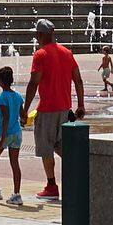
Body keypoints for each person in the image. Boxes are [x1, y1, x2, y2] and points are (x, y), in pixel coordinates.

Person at [26, 19, 85, 202]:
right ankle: (80, 177)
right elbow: (78, 80)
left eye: (37, 35)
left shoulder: (40, 54)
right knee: (62, 146)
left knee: (46, 149)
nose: (36, 38)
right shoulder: (66, 52)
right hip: (64, 109)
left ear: (41, 35)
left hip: (47, 109)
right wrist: (81, 105)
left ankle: (51, 186)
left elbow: (34, 82)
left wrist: (24, 109)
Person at [0, 63, 27, 206]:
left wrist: (2, 137)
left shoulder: (1, 97)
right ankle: (17, 194)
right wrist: (24, 120)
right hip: (17, 133)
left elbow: (5, 117)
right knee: (15, 163)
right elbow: (23, 115)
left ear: (1, 81)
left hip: (5, 133)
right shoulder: (17, 96)